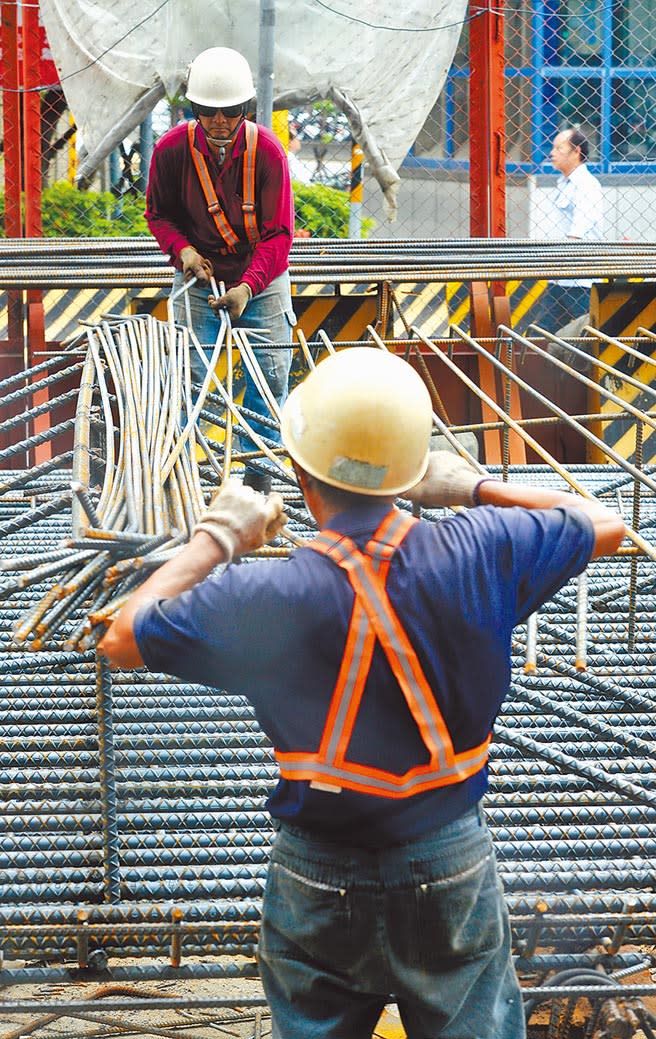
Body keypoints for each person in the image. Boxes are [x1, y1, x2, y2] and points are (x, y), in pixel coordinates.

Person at [98, 348, 625, 1039]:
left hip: (318, 873)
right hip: (450, 861)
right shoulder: (483, 548)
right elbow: (607, 521)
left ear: (298, 468)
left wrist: (216, 537)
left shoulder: (268, 594)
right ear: (411, 471)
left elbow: (120, 637)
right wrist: (472, 488)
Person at [145, 47, 296, 493]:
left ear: (245, 109)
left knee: (269, 374)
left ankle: (259, 475)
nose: (219, 122)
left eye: (230, 112)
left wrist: (249, 287)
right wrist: (183, 251)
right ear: (194, 109)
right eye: (208, 112)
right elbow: (159, 215)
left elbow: (279, 236)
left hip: (261, 276)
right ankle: (184, 472)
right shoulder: (172, 151)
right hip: (198, 273)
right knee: (189, 372)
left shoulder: (268, 153)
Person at [530, 127, 604, 336]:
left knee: (590, 332)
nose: (552, 153)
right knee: (542, 332)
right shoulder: (564, 183)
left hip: (580, 277)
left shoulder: (586, 186)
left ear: (576, 152)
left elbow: (577, 233)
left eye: (559, 148)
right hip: (561, 275)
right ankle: (535, 366)